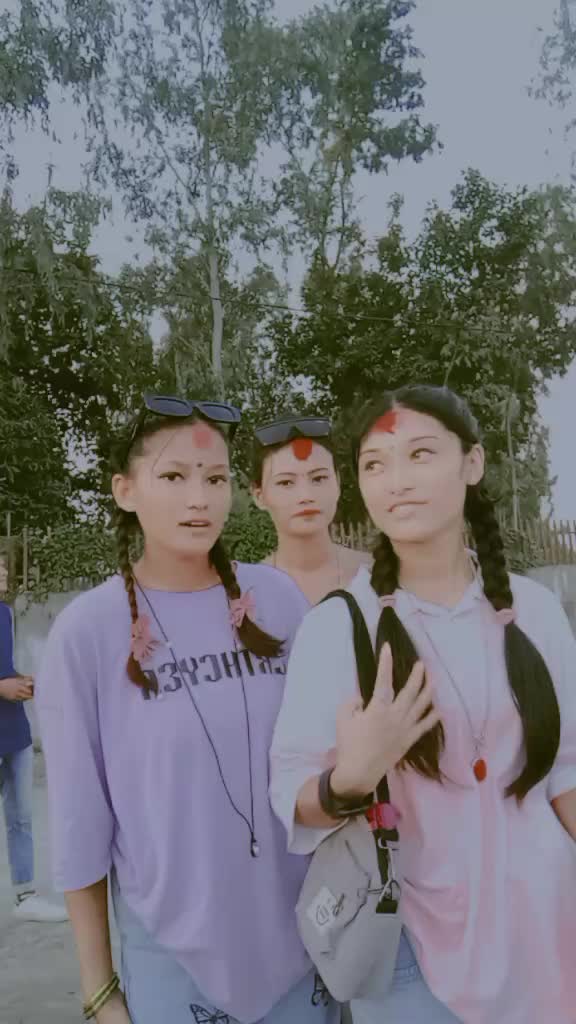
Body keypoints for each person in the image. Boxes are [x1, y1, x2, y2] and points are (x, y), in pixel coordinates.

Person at [270, 385, 576, 1024]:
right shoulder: (339, 628)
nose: (397, 482)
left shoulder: (536, 611)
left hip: (546, 929)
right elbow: (291, 793)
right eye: (375, 464)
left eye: (420, 454)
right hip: (410, 949)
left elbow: (566, 772)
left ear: (472, 463)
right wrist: (350, 778)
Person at [35, 394, 340, 1024]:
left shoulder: (277, 600)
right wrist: (99, 989)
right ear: (124, 491)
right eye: (173, 477)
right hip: (172, 959)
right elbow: (80, 823)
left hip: (301, 944)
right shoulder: (87, 631)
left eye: (216, 479)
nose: (199, 499)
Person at [0, 556, 67, 923]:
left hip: (15, 731)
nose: (4, 572)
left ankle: (25, 894)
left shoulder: (5, 614)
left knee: (22, 817)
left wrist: (22, 681)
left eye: (4, 566)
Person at [251, 414, 370, 606]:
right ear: (259, 496)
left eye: (319, 479)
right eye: (286, 482)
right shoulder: (246, 591)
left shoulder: (375, 575)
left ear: (338, 483)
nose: (306, 496)